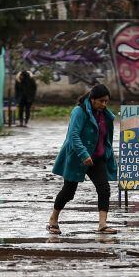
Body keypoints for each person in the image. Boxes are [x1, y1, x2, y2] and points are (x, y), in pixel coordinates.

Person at [48, 83, 117, 235]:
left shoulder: (104, 114)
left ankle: (102, 224)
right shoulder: (79, 112)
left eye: (107, 101)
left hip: (96, 158)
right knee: (68, 192)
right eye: (101, 101)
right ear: (92, 99)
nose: (104, 104)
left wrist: (107, 153)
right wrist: (84, 154)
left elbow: (106, 137)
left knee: (104, 189)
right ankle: (53, 219)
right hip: (78, 157)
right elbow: (73, 135)